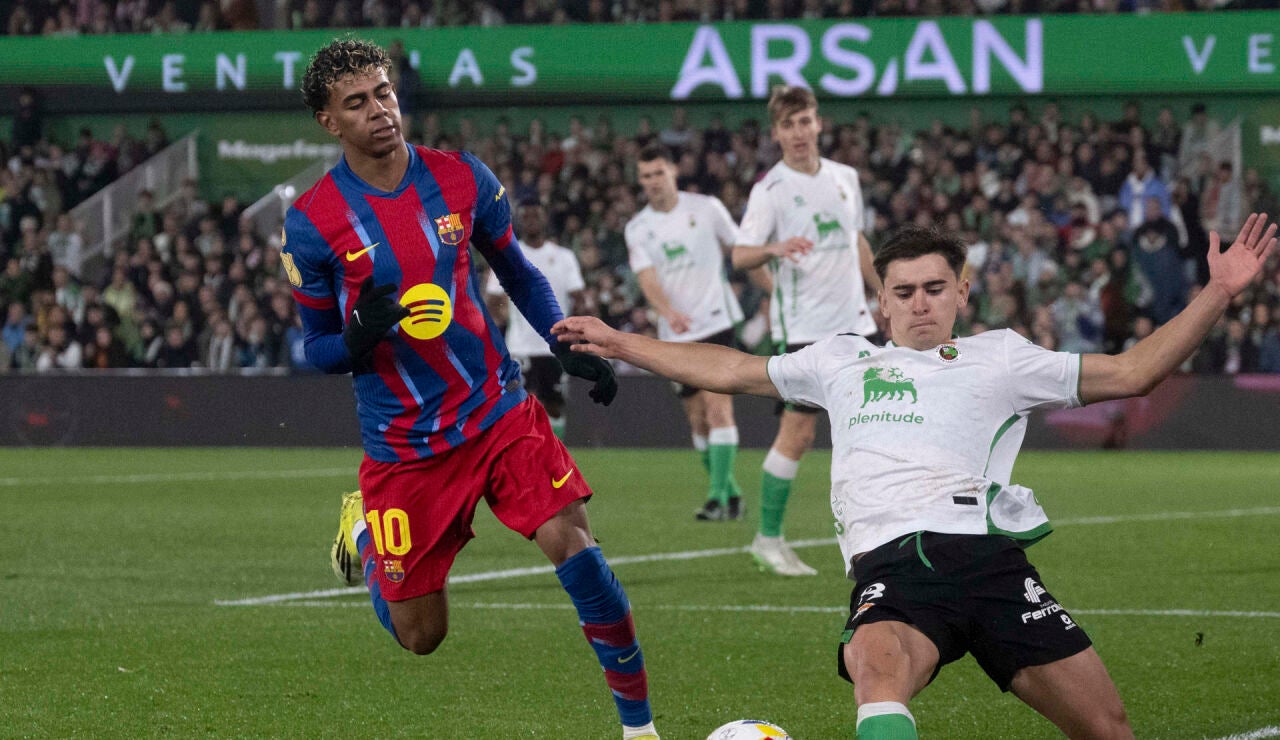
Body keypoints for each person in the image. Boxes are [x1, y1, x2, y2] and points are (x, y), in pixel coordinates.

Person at [551, 216, 1276, 739]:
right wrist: (622, 343)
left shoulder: (1004, 357)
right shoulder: (840, 359)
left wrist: (1218, 293)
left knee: (1108, 728)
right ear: (881, 302)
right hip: (897, 559)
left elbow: (1134, 371)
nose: (920, 302)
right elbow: (733, 369)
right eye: (904, 291)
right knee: (877, 664)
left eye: (935, 287)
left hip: (991, 562)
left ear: (961, 292)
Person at [283, 39, 658, 740]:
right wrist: (357, 337)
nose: (380, 112)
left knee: (575, 547)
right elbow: (319, 351)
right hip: (405, 446)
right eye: (357, 103)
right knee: (421, 636)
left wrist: (564, 339)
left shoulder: (460, 178)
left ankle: (639, 730)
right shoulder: (313, 221)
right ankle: (366, 533)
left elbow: (515, 269)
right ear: (329, 122)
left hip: (497, 409)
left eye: (385, 93)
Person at [730, 84, 882, 576]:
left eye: (805, 121)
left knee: (873, 430)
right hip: (804, 329)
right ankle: (767, 539)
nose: (798, 132)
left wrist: (884, 292)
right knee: (797, 434)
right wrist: (774, 250)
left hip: (856, 325)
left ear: (819, 123)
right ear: (777, 133)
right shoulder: (770, 190)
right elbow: (740, 254)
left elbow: (855, 239)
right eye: (788, 125)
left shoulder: (845, 178)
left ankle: (874, 537)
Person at [625, 144, 748, 521]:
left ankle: (714, 498)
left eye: (658, 173)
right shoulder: (638, 228)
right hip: (674, 333)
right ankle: (731, 495)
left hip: (716, 321)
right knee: (696, 418)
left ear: (674, 171)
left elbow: (740, 247)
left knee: (718, 406)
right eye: (646, 176)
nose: (653, 182)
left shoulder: (706, 207)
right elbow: (647, 279)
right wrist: (668, 313)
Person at [484, 200, 585, 439]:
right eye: (526, 216)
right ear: (518, 221)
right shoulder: (509, 254)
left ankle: (556, 455)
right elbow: (492, 298)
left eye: (535, 215)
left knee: (555, 406)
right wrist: (506, 317)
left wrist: (576, 326)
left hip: (556, 346)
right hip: (520, 346)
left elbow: (578, 296)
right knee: (519, 403)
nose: (531, 220)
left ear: (545, 219)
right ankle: (526, 455)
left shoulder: (563, 257)